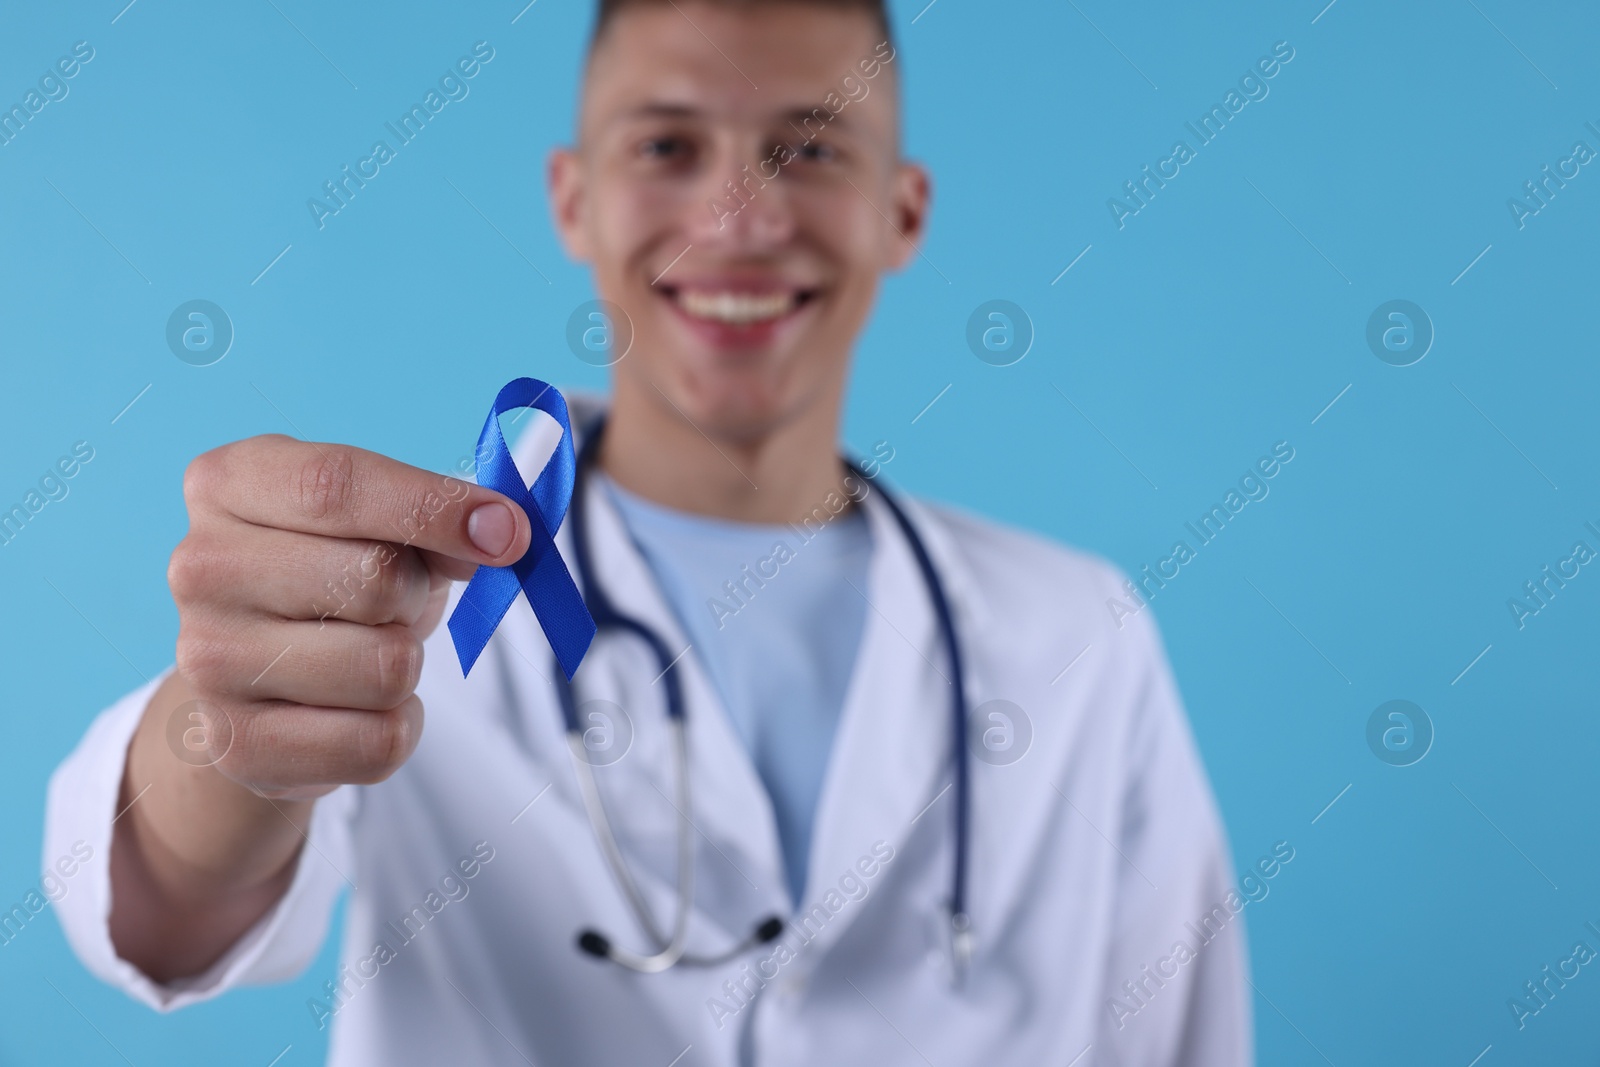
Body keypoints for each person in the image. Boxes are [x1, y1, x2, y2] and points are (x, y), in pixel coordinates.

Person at [44, 0, 1251, 1063]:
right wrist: (226, 736)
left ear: (902, 210)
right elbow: (166, 909)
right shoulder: (423, 598)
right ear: (574, 198)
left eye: (811, 147)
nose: (738, 217)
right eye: (669, 145)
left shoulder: (1077, 634)